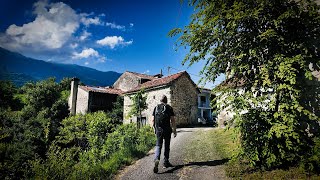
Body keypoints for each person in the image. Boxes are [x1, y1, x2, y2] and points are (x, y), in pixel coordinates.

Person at [152, 95, 177, 173]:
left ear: (160, 100)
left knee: (158, 145)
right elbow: (172, 120)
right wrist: (174, 130)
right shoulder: (169, 108)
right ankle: (166, 162)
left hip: (158, 130)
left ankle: (156, 159)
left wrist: (154, 129)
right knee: (167, 145)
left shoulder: (156, 108)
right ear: (166, 100)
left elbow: (153, 120)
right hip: (167, 129)